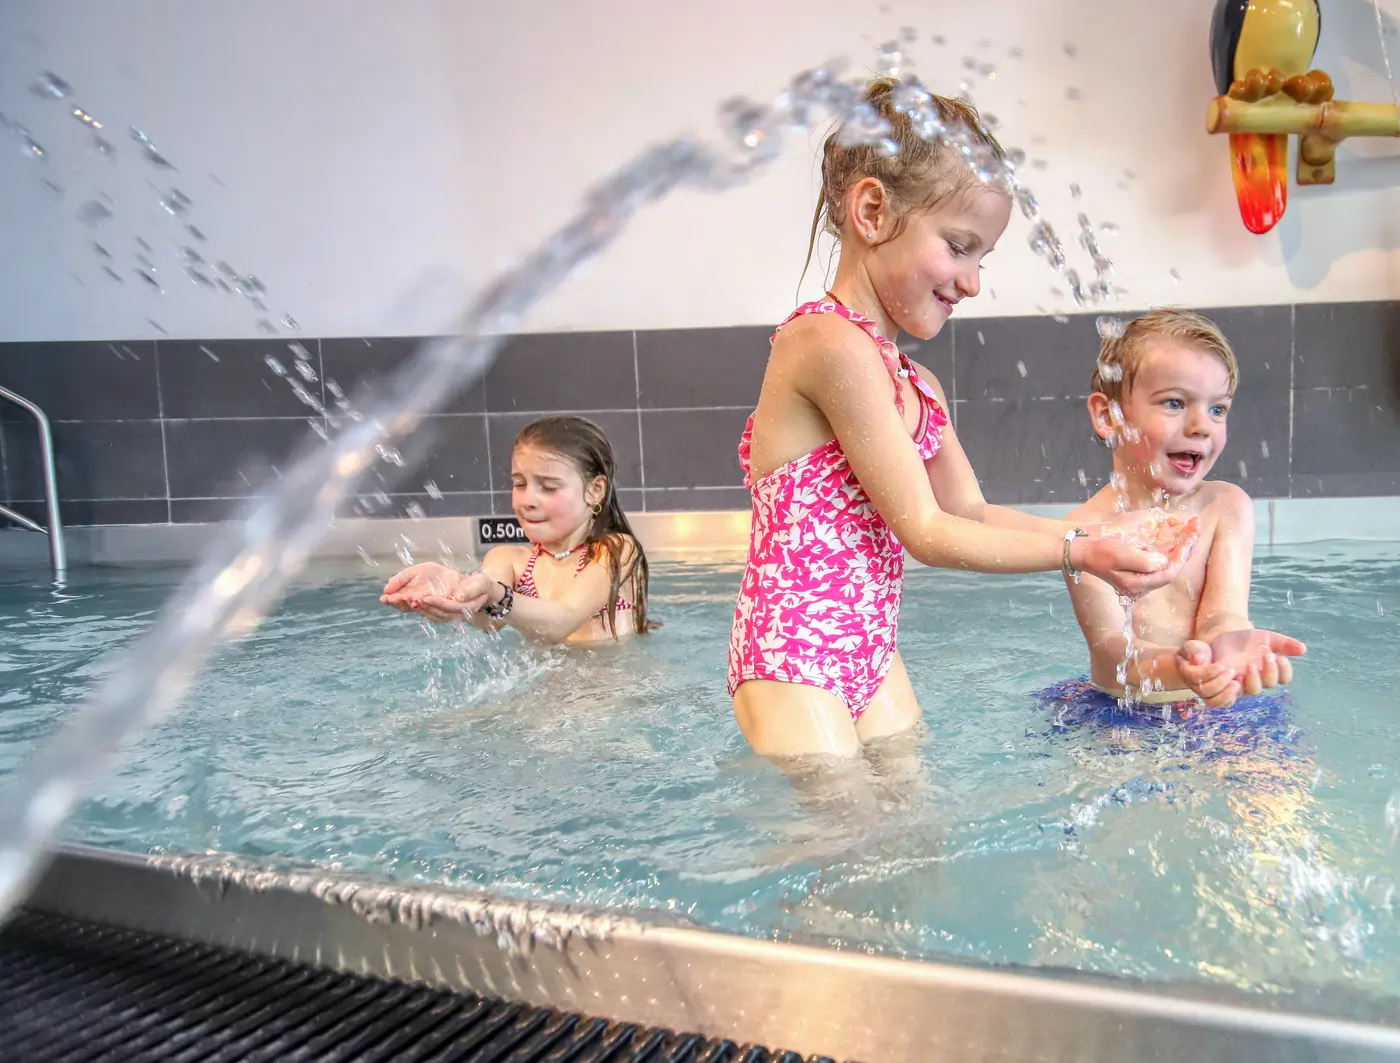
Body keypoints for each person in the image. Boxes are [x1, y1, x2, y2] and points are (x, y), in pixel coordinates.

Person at [729, 77, 1194, 763]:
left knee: (916, 842)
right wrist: (1081, 552)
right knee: (843, 842)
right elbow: (925, 531)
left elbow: (969, 512)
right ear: (872, 211)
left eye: (983, 256)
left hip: (871, 654)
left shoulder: (921, 387)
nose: (973, 281)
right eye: (958, 245)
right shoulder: (824, 345)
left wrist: (1095, 533)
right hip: (791, 656)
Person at [1050, 308, 1306, 714]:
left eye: (1218, 409)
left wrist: (1228, 647)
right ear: (1109, 415)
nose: (1201, 426)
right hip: (1121, 712)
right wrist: (1180, 669)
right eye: (1174, 402)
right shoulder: (1084, 533)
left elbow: (1223, 613)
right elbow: (1112, 652)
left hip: (1215, 702)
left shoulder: (1226, 507)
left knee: (1279, 776)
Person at [380, 415, 657, 646]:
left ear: (595, 489)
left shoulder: (616, 551)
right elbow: (489, 620)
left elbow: (561, 621)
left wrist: (496, 594)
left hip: (611, 696)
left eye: (548, 487)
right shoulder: (509, 560)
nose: (528, 500)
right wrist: (451, 590)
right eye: (519, 484)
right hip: (546, 693)